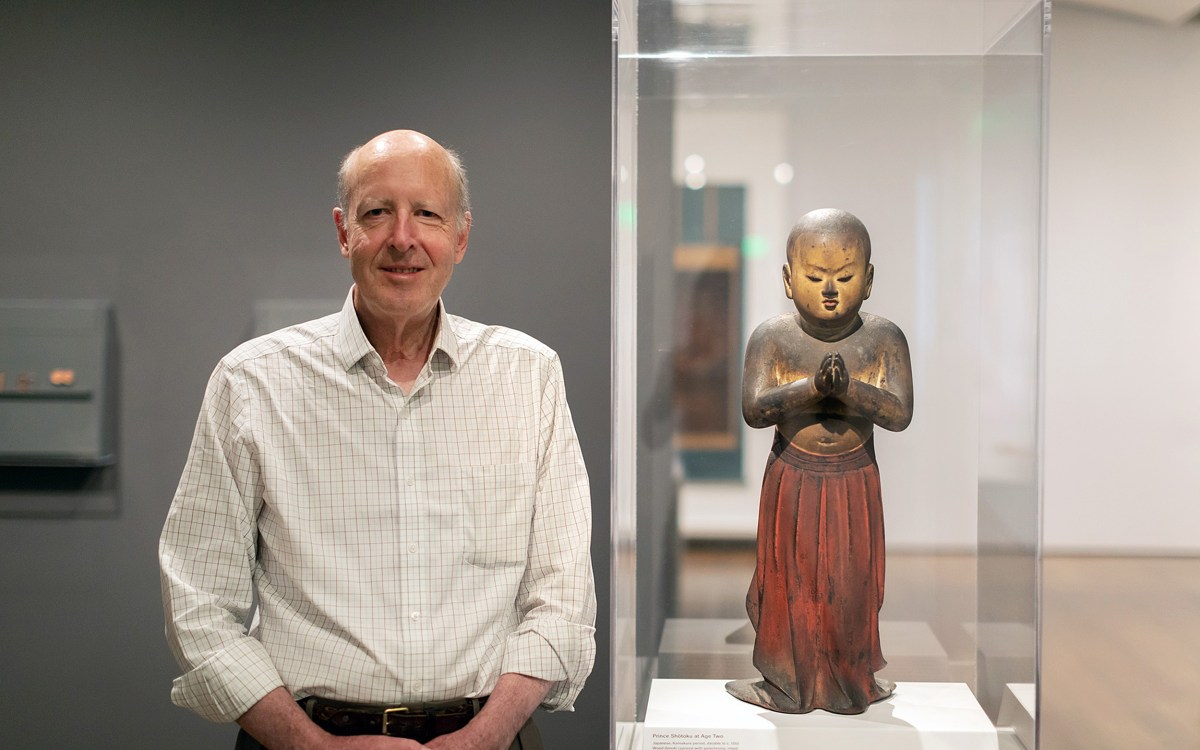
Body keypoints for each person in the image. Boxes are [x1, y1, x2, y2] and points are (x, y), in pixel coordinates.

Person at [159, 130, 597, 749]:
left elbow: (563, 598)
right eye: (377, 213)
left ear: (461, 238)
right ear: (343, 232)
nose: (402, 238)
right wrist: (314, 746)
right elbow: (199, 604)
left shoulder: (529, 377)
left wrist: (483, 737)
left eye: (427, 214)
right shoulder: (251, 384)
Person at [726, 208, 913, 715]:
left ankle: (852, 681)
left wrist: (849, 389)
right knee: (792, 584)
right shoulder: (772, 338)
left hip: (855, 480)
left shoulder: (883, 338)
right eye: (814, 276)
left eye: (845, 276)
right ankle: (786, 683)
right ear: (788, 279)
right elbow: (753, 409)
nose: (829, 288)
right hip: (792, 478)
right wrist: (812, 387)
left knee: (850, 586)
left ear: (869, 280)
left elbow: (899, 413)